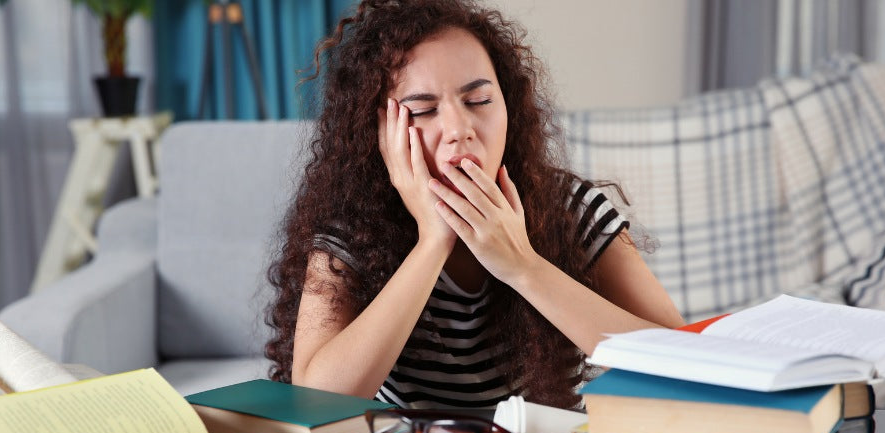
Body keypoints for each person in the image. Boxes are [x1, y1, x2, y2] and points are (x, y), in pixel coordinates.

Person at [265, 0, 684, 410]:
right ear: (381, 131)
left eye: (479, 101)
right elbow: (315, 400)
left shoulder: (571, 211)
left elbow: (688, 365)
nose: (459, 130)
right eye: (424, 110)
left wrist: (522, 265)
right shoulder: (352, 231)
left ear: (509, 106)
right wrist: (432, 242)